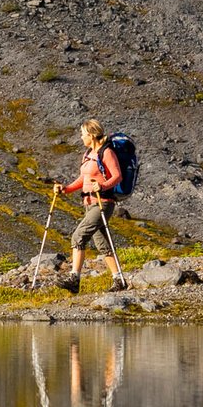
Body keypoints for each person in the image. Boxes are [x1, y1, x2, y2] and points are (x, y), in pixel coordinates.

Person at [57, 118, 125, 287]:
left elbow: (117, 176)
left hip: (103, 202)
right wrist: (66, 189)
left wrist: (102, 185)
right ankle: (119, 280)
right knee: (102, 243)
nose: (81, 137)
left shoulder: (106, 152)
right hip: (89, 203)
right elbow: (83, 178)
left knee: (78, 237)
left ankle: (74, 279)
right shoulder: (88, 154)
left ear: (92, 135)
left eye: (83, 134)